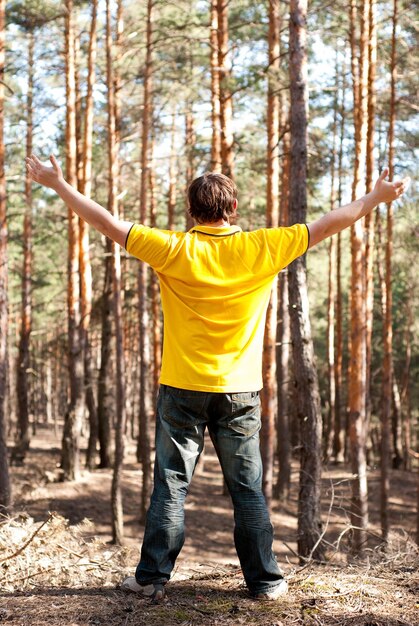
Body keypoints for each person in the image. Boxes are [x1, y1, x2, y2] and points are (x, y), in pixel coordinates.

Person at [26, 155, 409, 601]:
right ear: (234, 209)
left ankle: (151, 580)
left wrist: (58, 184)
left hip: (182, 387)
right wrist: (376, 198)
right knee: (247, 490)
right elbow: (329, 223)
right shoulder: (263, 246)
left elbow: (106, 221)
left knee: (171, 485)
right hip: (239, 390)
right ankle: (265, 583)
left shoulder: (172, 247)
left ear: (192, 211)